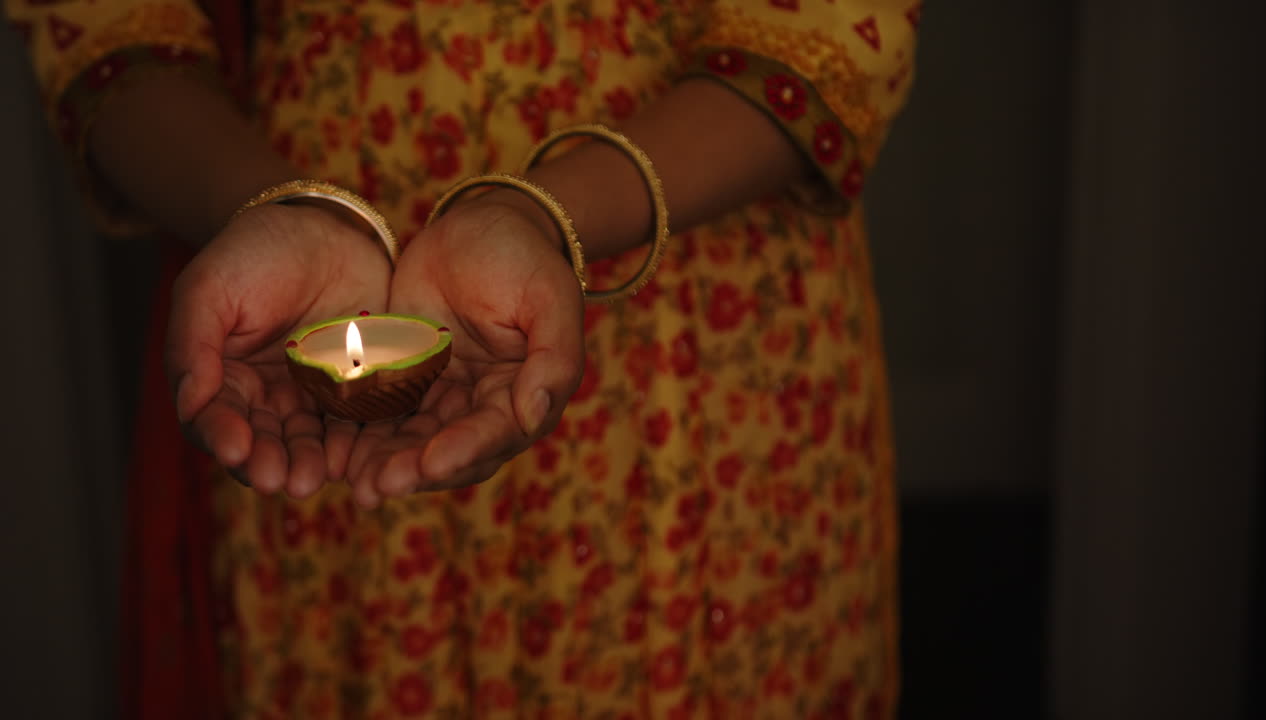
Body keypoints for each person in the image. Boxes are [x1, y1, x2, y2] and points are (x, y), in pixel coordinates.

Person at [7, 0, 919, 717]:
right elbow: (105, 24)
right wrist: (278, 208)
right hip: (311, 324)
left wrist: (542, 216)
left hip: (701, 327)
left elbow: (830, 32)